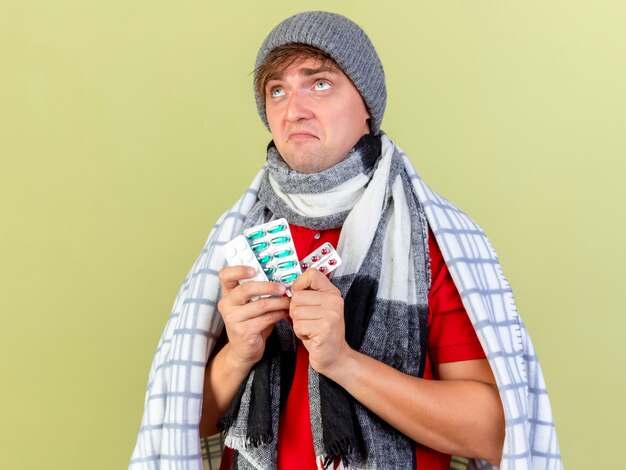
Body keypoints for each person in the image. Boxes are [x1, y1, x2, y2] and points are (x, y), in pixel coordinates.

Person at [130, 11, 561, 470]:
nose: (293, 108)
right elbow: (179, 425)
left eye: (319, 83)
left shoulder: (430, 238)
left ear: (368, 104)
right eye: (277, 90)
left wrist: (344, 362)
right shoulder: (240, 236)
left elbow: (494, 433)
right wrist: (239, 353)